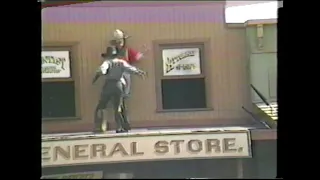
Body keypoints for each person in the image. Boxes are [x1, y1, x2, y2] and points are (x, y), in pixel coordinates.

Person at [92, 47, 147, 133]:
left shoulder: (107, 62)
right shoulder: (122, 62)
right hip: (119, 85)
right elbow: (130, 69)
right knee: (118, 106)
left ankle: (99, 125)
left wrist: (96, 78)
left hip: (109, 85)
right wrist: (139, 72)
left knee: (102, 105)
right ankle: (119, 127)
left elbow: (102, 70)